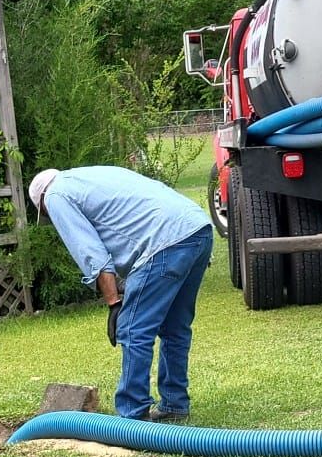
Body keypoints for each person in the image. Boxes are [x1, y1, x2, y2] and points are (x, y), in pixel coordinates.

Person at [28, 165, 213, 422]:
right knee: (175, 328)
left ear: (42, 204)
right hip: (197, 229)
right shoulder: (91, 177)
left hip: (163, 242)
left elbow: (92, 254)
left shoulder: (55, 195)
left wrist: (114, 304)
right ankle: (174, 405)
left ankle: (132, 415)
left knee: (133, 329)